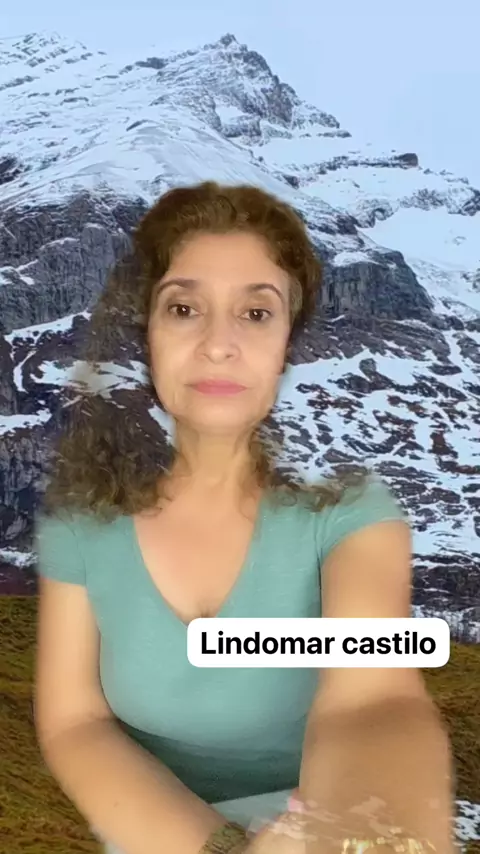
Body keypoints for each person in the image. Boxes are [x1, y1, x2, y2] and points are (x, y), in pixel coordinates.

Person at [34, 182, 454, 854]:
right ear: (147, 332)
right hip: (150, 831)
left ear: (289, 341)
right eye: (184, 308)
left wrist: (351, 830)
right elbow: (74, 723)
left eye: (256, 313)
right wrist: (224, 847)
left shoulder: (350, 511)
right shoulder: (81, 524)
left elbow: (376, 700)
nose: (218, 344)